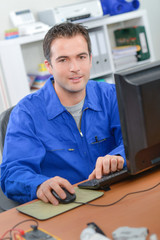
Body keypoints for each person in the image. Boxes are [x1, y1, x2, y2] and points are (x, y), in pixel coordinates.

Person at [1, 22, 126, 205]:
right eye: (63, 60)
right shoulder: (26, 113)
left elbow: (139, 141)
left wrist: (119, 157)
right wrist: (39, 185)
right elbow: (13, 172)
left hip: (117, 194)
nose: (75, 67)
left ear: (90, 59)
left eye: (81, 57)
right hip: (65, 206)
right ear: (49, 66)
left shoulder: (112, 96)